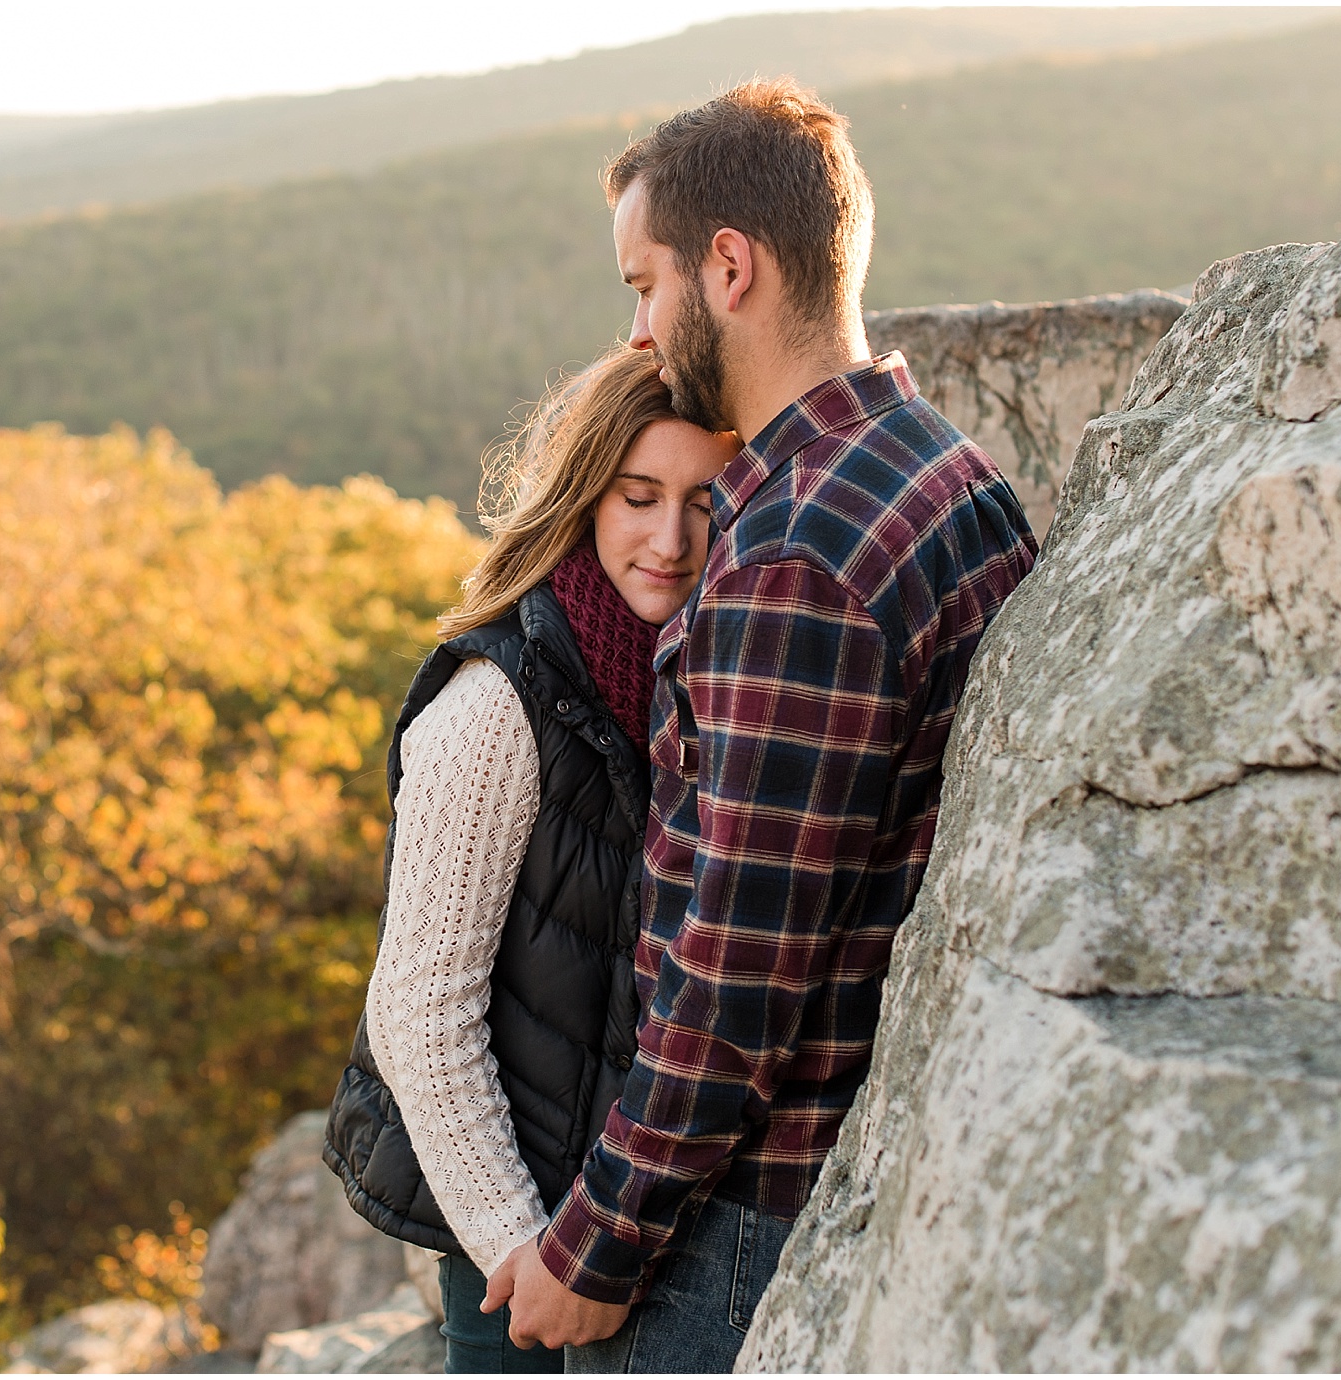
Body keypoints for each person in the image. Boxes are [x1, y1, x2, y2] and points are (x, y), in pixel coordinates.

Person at [481, 78, 1040, 1372]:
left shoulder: (795, 556)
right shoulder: (939, 464)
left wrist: (596, 1246)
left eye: (644, 285)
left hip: (740, 1223)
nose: (637, 335)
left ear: (729, 267)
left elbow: (734, 972)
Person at [323, 346, 738, 1373]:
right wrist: (522, 1247)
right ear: (584, 495)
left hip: (627, 1218)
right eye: (638, 496)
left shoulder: (695, 669)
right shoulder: (492, 712)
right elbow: (420, 1013)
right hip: (513, 1230)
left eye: (704, 499)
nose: (671, 539)